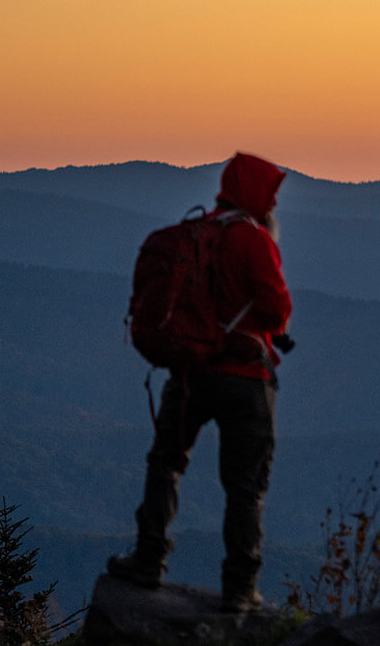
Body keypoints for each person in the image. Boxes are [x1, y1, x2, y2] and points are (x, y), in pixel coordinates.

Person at [108, 152, 293, 613]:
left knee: (166, 462)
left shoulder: (195, 233)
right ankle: (239, 590)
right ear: (258, 195)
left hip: (190, 373)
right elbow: (276, 312)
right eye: (271, 192)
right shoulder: (254, 241)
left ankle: (148, 561)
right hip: (245, 379)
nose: (274, 200)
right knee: (245, 486)